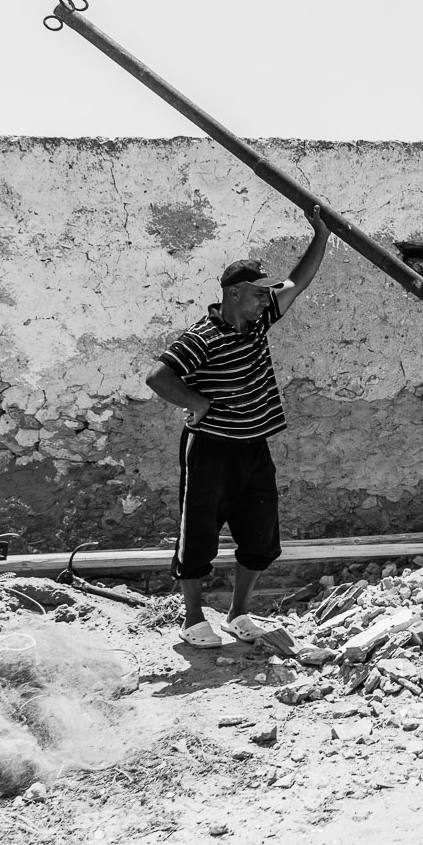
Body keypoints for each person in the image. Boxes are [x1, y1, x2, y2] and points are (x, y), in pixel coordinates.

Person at [146, 208, 330, 650]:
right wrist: (198, 403)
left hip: (253, 448)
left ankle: (238, 613)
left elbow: (297, 281)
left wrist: (321, 235)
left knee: (261, 536)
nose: (266, 300)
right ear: (233, 293)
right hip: (210, 450)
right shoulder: (202, 337)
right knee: (198, 536)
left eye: (266, 294)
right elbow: (158, 377)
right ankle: (193, 619)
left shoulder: (258, 323)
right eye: (258, 293)